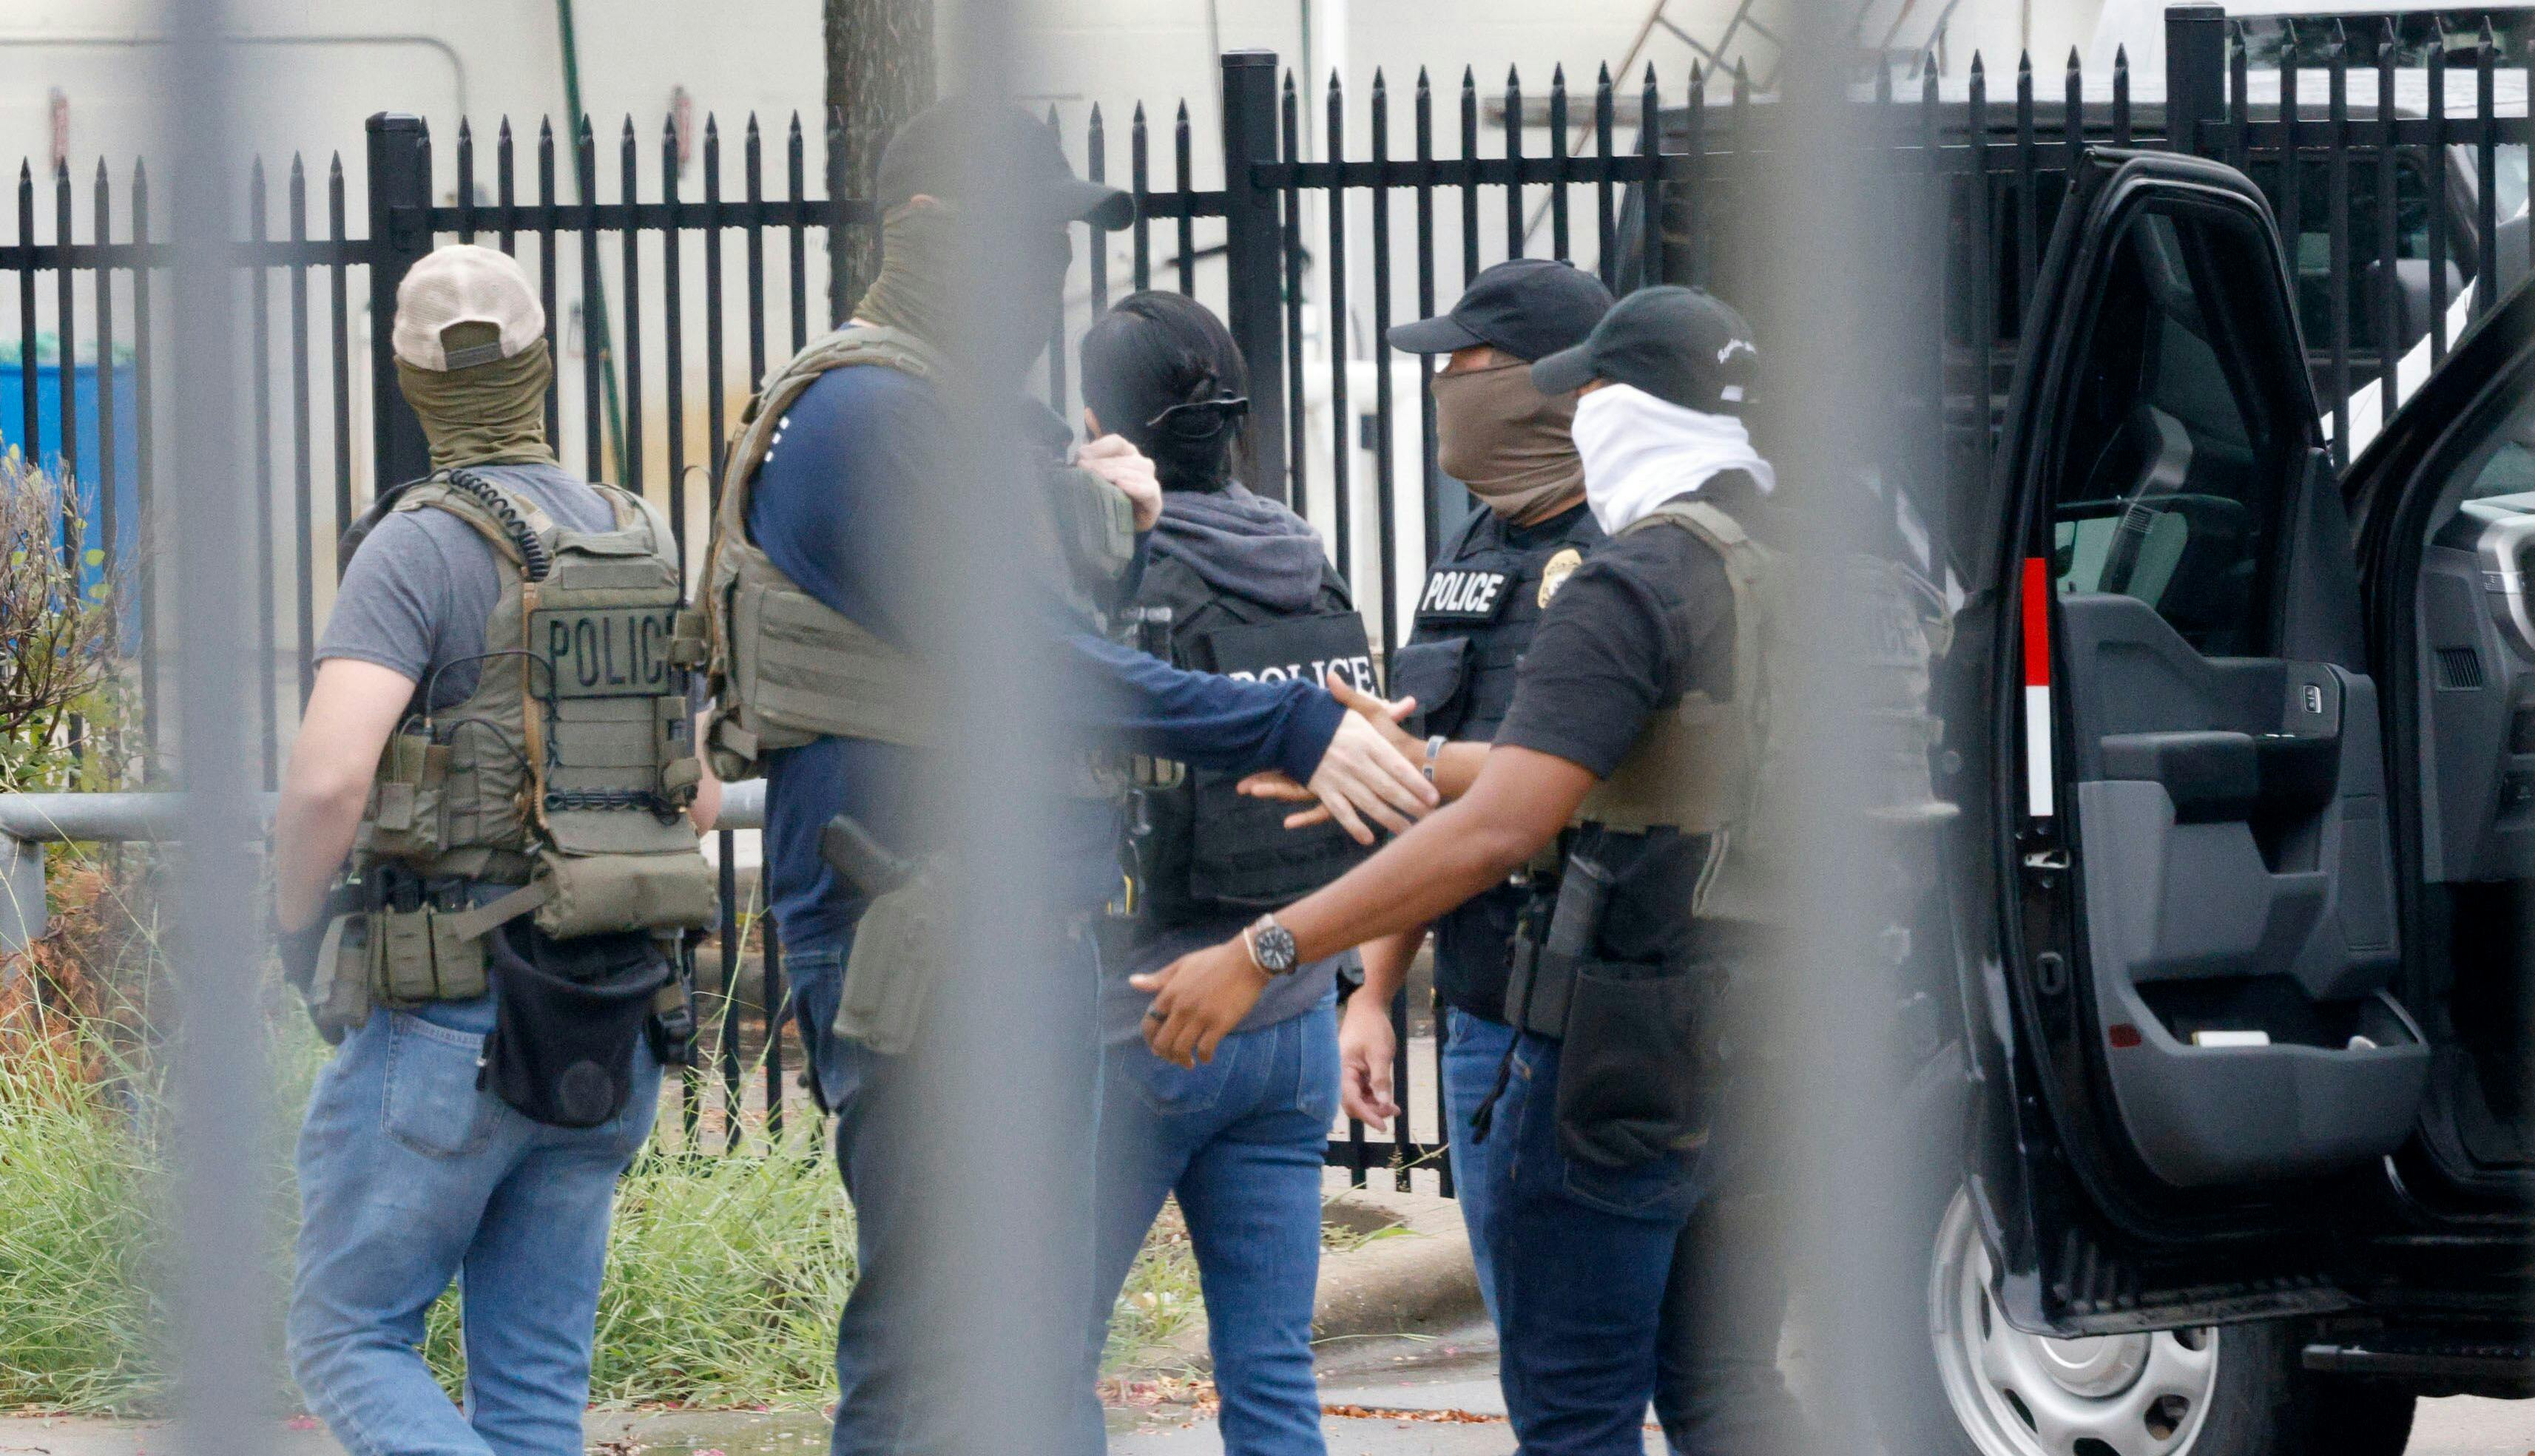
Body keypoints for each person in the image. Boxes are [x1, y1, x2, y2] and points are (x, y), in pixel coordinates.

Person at [686, 101, 1435, 1455]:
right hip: (919, 934)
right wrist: (1283, 732)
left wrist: (1115, 519)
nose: (1045, 271)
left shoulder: (972, 417)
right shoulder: (863, 416)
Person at [1134, 286, 1811, 1455]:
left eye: (1589, 394)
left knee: (1576, 1416)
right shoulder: (1797, 565)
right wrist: (1419, 758)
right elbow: (1635, 771)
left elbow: (1507, 826)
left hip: (1612, 1055)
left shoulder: (1631, 582)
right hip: (1782, 1045)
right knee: (1728, 1389)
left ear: (1624, 408)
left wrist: (1268, 948)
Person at [272, 244, 720, 1456]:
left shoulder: (415, 545)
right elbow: (704, 795)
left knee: (347, 1337)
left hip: (450, 1019)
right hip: (610, 1017)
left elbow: (326, 774)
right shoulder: (636, 538)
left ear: (412, 383)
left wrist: (289, 923)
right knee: (530, 1393)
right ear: (544, 366)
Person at [1077, 291, 1373, 1455]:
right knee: (1271, 1369)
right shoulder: (1302, 557)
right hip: (1292, 1009)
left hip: (1141, 1016)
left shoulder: (1115, 568)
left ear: (1106, 417)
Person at [1343, 257, 1613, 1316]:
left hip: (1609, 1013)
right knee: (1535, 1355)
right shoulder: (1478, 539)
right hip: (1485, 1004)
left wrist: (1394, 757)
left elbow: (1548, 787)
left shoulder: (1630, 545)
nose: (1443, 379)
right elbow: (1428, 781)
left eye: (1467, 361)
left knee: (1649, 1362)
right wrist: (1373, 991)